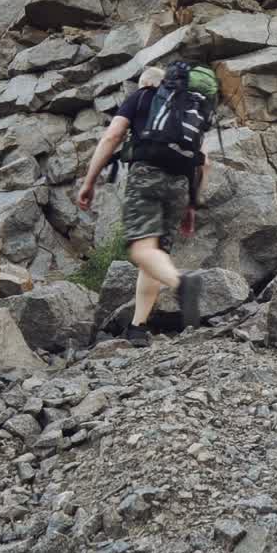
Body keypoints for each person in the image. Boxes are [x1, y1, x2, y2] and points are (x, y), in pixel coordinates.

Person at [77, 65, 209, 346]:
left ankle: (182, 283)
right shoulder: (188, 110)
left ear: (147, 84)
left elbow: (112, 136)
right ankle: (138, 328)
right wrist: (191, 205)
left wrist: (89, 181)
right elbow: (203, 162)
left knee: (141, 250)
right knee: (155, 254)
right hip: (180, 185)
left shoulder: (142, 96)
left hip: (147, 175)